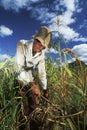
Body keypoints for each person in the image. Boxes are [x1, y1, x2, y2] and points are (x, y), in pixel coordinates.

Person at [14, 26, 52, 116]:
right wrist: (32, 85)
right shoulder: (22, 45)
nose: (41, 48)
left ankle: (34, 122)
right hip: (19, 78)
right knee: (23, 107)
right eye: (40, 44)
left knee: (34, 105)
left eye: (44, 47)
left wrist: (45, 89)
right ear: (35, 40)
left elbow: (42, 72)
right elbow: (18, 68)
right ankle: (22, 122)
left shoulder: (41, 54)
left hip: (30, 78)